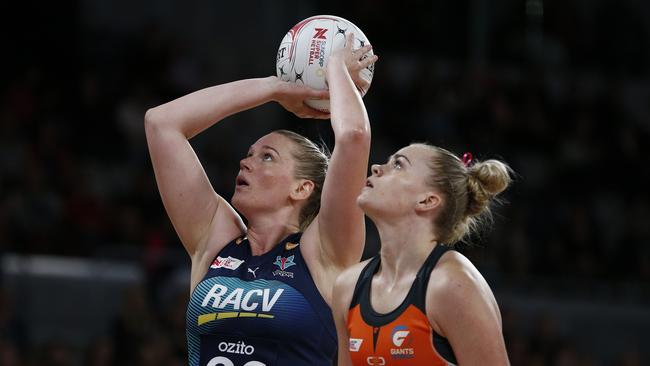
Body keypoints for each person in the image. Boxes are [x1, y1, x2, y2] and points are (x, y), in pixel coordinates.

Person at [144, 32, 378, 366]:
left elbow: (354, 138)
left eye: (267, 157)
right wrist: (274, 88)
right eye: (249, 153)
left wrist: (336, 66)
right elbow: (161, 123)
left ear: (302, 188)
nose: (246, 162)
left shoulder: (324, 250)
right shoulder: (216, 240)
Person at [332, 145, 512, 365]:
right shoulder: (347, 287)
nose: (377, 167)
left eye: (398, 164)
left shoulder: (453, 284)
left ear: (427, 201)